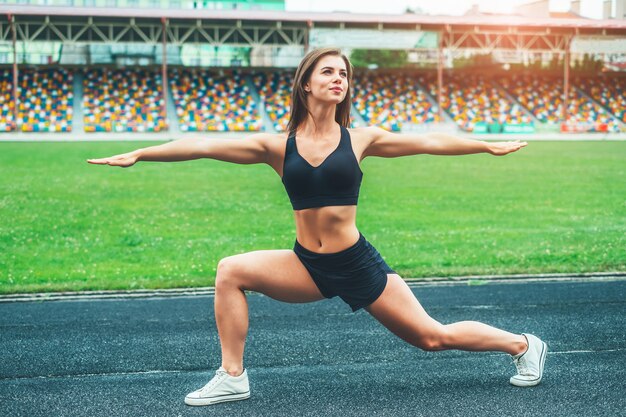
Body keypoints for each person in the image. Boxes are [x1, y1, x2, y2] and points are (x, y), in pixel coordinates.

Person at [87, 47, 547, 407]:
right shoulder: (275, 145)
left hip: (355, 264)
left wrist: (486, 146)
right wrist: (143, 153)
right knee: (231, 270)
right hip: (306, 264)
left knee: (431, 337)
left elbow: (428, 139)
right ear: (306, 83)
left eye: (344, 75)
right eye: (329, 72)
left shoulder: (360, 138)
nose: (338, 80)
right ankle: (232, 378)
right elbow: (202, 145)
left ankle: (524, 345)